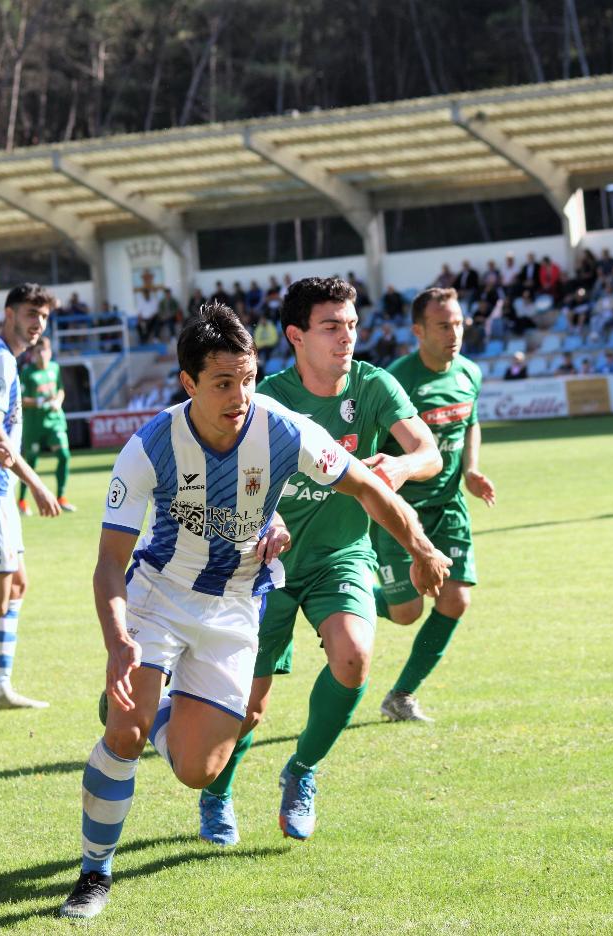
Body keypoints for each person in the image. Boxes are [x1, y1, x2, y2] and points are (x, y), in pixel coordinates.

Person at [60, 300, 450, 919]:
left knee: (198, 769)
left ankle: (152, 707)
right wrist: (117, 642)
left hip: (237, 604)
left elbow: (368, 486)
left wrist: (421, 547)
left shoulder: (284, 429)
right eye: (222, 383)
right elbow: (110, 560)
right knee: (125, 734)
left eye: (246, 378)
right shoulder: (150, 446)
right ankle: (93, 875)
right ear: (189, 383)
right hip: (158, 597)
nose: (239, 394)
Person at [196, 276, 447, 848]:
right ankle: (216, 794)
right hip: (265, 569)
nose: (346, 338)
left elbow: (427, 451)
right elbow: (225, 477)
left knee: (354, 657)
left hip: (341, 555)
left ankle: (302, 770)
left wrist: (401, 469)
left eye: (352, 325)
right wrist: (264, 518)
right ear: (296, 336)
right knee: (248, 708)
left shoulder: (373, 386)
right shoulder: (268, 399)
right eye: (331, 327)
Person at [371, 287, 496, 723]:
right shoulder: (395, 381)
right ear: (418, 331)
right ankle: (344, 602)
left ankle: (401, 695)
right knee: (406, 612)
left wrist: (471, 470)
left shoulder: (469, 373)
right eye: (443, 325)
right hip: (397, 511)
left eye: (459, 323)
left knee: (455, 600)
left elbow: (472, 422)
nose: (454, 332)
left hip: (448, 507)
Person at [0, 284, 61, 711]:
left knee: (17, 583)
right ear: (10, 313)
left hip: (3, 492)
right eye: (31, 314)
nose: (38, 324)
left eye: (44, 317)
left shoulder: (8, 360)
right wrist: (37, 484)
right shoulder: (0, 358)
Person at [18, 336, 76, 514]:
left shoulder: (55, 368)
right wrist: (43, 401)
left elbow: (60, 390)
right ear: (33, 354)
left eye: (45, 350)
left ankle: (61, 497)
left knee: (64, 455)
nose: (42, 354)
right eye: (38, 351)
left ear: (50, 352)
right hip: (34, 424)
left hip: (54, 421)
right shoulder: (28, 373)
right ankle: (21, 501)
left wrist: (58, 401)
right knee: (30, 464)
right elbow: (22, 400)